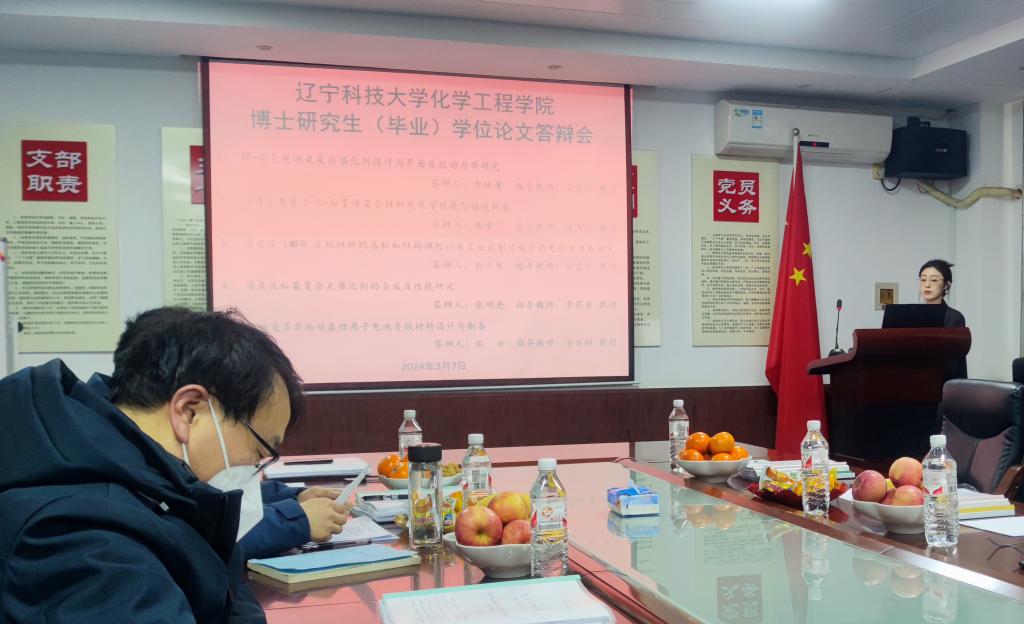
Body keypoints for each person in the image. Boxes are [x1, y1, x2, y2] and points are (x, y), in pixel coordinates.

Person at [0, 307, 336, 622]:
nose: (255, 469)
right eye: (258, 451)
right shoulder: (83, 538)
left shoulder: (162, 488)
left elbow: (230, 602)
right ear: (189, 411)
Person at [919, 258, 968, 379]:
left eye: (934, 280)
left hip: (943, 381)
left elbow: (953, 361)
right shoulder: (912, 314)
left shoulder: (955, 317)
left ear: (947, 285)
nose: (927, 285)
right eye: (923, 279)